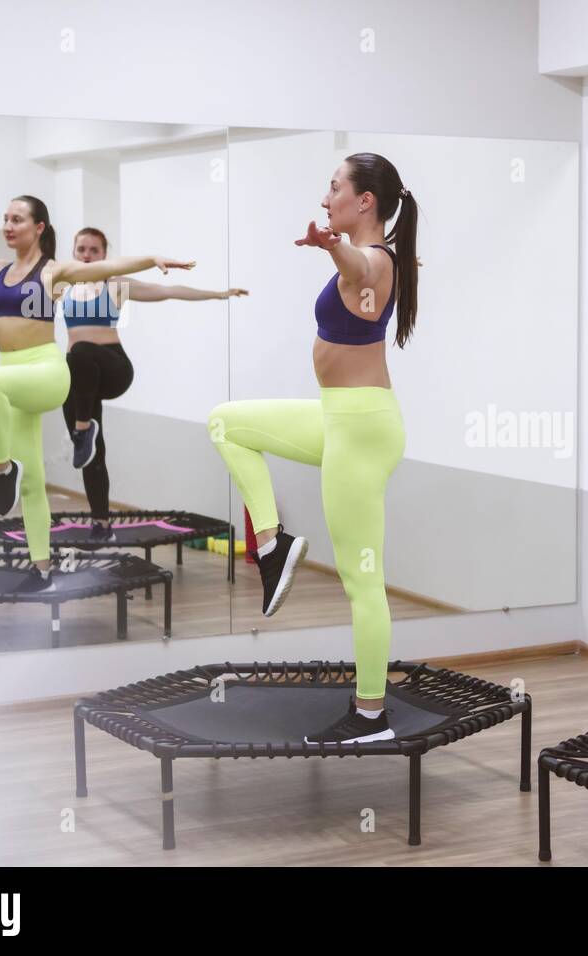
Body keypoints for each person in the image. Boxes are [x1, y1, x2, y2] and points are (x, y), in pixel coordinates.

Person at [207, 153, 419, 744]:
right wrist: (334, 249)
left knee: (362, 580)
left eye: (334, 188)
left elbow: (359, 264)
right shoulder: (384, 260)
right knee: (226, 423)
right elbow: (367, 268)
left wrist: (331, 247)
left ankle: (371, 715)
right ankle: (273, 544)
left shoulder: (370, 259)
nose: (325, 199)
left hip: (361, 429)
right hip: (339, 419)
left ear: (365, 201)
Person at [0, 195, 192, 587]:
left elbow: (109, 266)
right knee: (33, 482)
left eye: (18, 219)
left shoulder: (54, 271)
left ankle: (1, 467)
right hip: (14, 376)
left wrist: (151, 258)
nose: (8, 226)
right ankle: (42, 567)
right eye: (5, 219)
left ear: (39, 227)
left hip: (45, 370)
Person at [0, 225, 247, 542]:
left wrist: (218, 295)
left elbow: (169, 291)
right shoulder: (62, 286)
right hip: (79, 383)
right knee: (92, 456)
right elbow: (17, 292)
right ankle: (101, 520)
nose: (88, 256)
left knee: (79, 351)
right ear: (74, 253)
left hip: (113, 368)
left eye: (94, 250)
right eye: (82, 250)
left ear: (105, 254)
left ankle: (82, 429)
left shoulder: (115, 285)